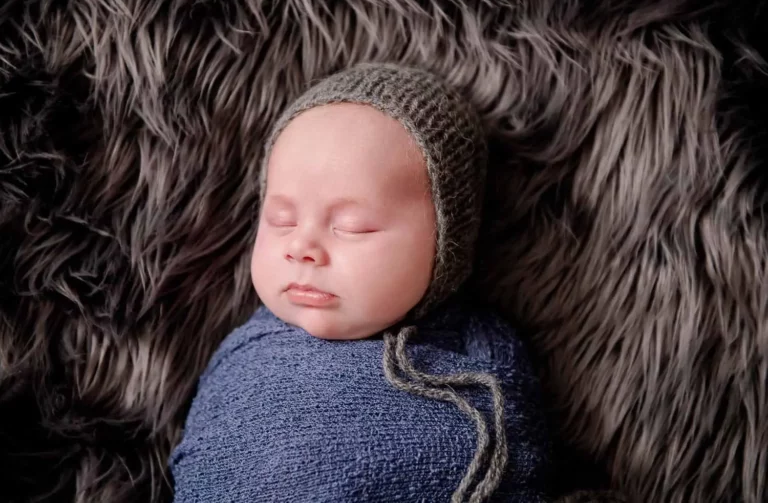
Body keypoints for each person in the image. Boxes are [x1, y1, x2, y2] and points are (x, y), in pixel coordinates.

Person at [170, 63, 552, 502]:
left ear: (447, 241)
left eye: (353, 226)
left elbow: (518, 465)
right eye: (281, 220)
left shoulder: (479, 360)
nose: (302, 247)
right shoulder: (243, 354)